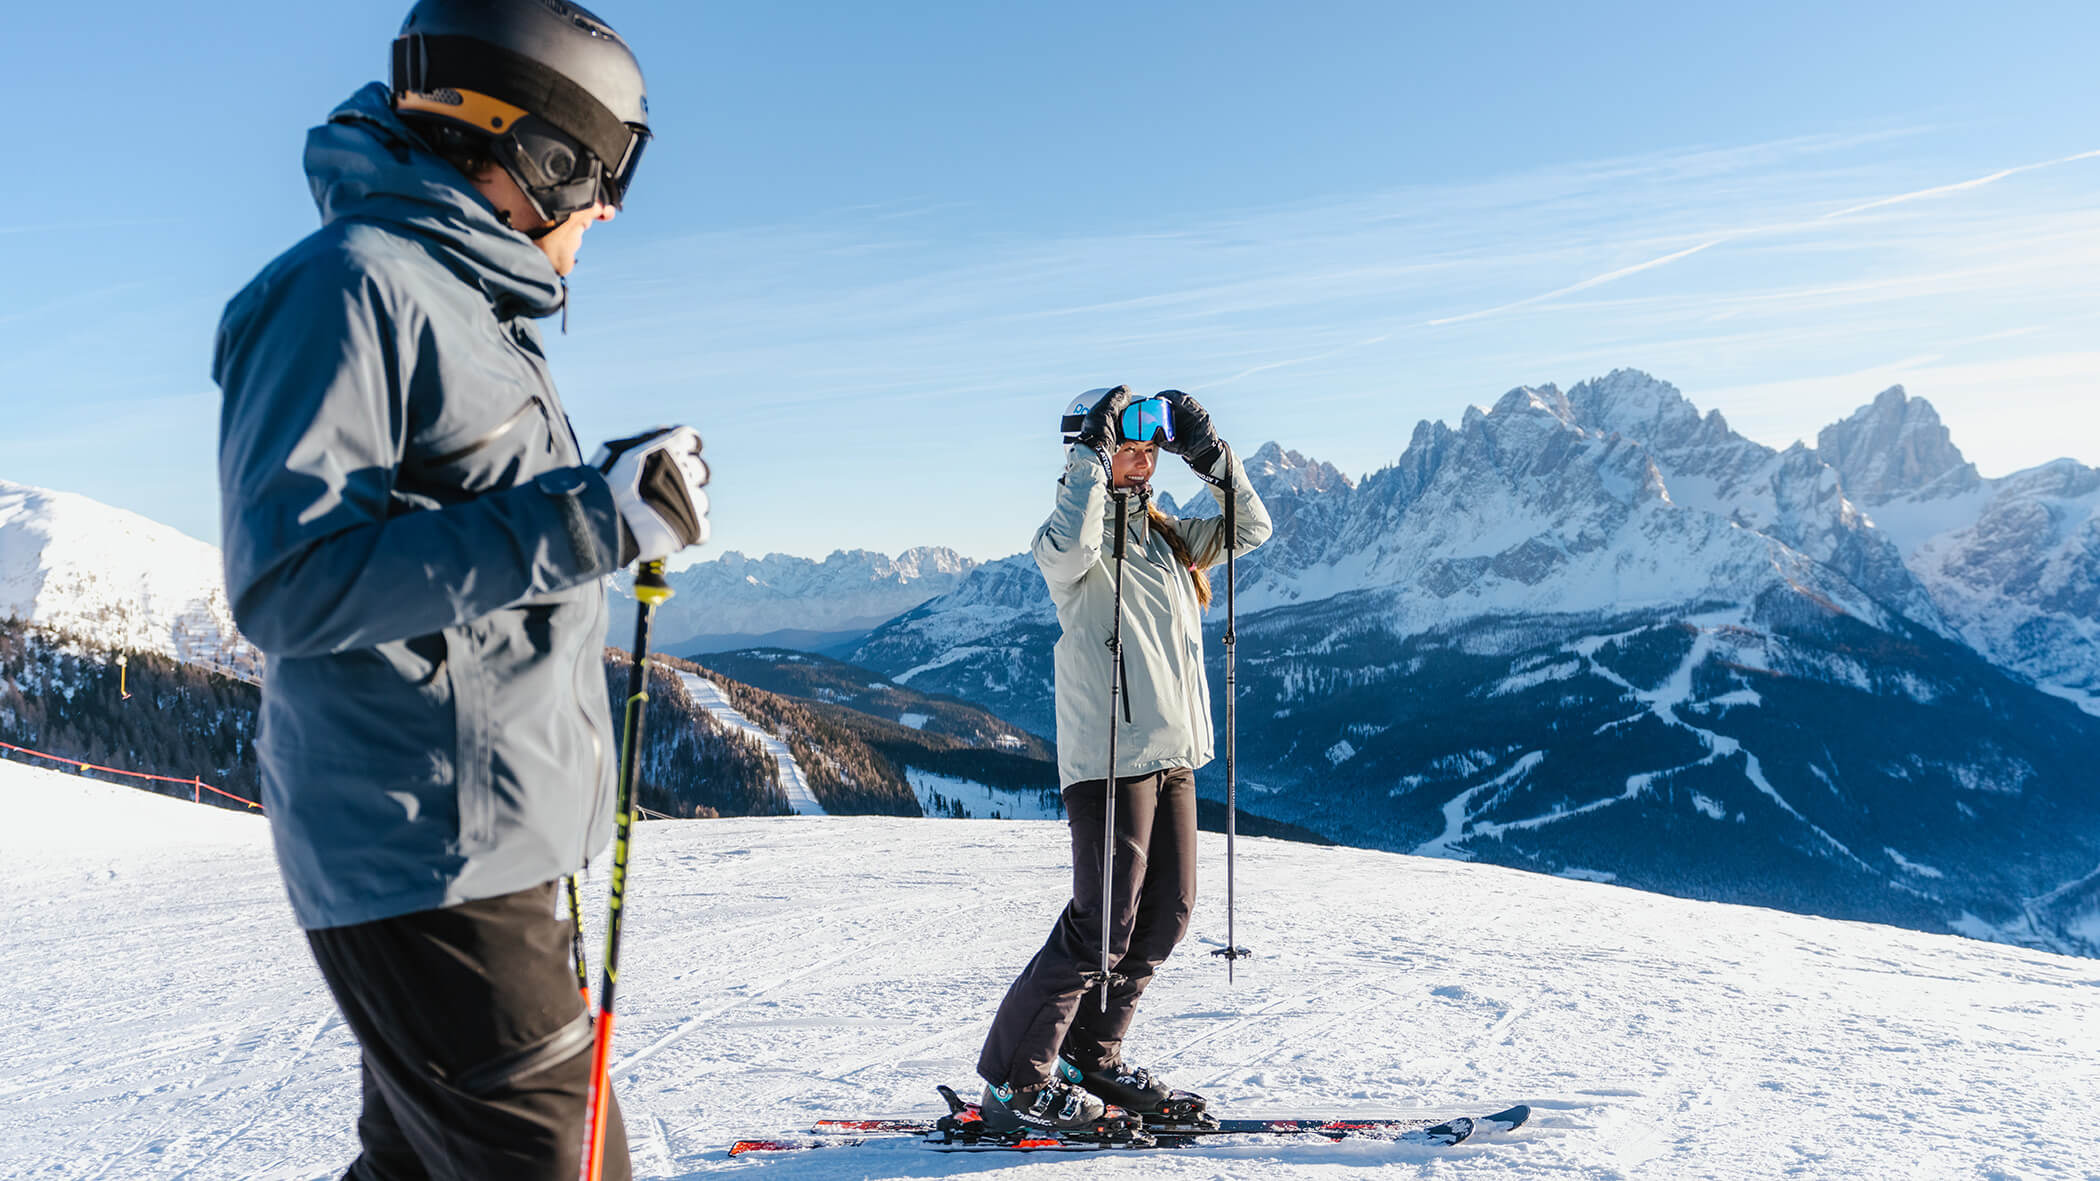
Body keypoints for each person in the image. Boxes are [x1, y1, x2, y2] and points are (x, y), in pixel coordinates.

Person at [212, 3, 709, 1177]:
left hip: (477, 839)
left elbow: (472, 545)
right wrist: (588, 518)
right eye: (604, 171)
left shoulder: (470, 308)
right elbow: (289, 583)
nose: (610, 208)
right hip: (427, 850)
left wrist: (608, 505)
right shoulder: (348, 287)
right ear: (536, 154)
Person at [976, 385, 1273, 1132]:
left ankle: (1090, 1054)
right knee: (1100, 925)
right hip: (1109, 759)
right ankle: (1017, 1081)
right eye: (1125, 447)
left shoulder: (1170, 536)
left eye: (1151, 449)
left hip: (1174, 753)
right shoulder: (1067, 541)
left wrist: (1213, 457)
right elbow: (1072, 543)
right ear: (1095, 452)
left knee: (1166, 917)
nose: (1141, 461)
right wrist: (1091, 457)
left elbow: (1254, 527)